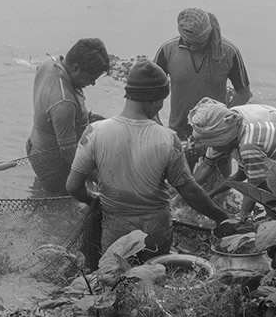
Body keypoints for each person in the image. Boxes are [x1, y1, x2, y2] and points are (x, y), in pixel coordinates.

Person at [66, 60, 231, 264]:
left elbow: (73, 186)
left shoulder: (94, 132)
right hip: (155, 231)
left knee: (115, 280)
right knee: (152, 280)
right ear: (154, 100)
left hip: (116, 232)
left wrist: (93, 199)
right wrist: (221, 217)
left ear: (129, 94)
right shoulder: (168, 139)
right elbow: (191, 192)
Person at [188, 103, 276, 218]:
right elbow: (240, 176)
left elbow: (254, 188)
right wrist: (210, 194)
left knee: (271, 205)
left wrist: (242, 217)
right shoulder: (251, 129)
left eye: (213, 144)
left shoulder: (248, 147)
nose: (213, 149)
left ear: (223, 138)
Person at [27, 38, 111, 196]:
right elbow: (68, 153)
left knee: (43, 194)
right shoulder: (64, 103)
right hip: (54, 166)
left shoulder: (49, 63)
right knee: (61, 207)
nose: (93, 83)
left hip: (35, 146)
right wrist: (100, 179)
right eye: (91, 77)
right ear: (76, 68)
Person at [154, 7, 253, 141]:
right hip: (178, 131)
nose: (194, 46)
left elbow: (244, 93)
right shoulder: (168, 50)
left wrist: (223, 121)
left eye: (199, 42)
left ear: (208, 34)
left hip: (217, 134)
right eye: (190, 42)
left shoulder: (228, 52)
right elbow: (150, 92)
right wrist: (158, 126)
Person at [188, 97, 276, 159]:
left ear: (225, 139)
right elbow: (208, 164)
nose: (213, 149)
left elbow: (257, 184)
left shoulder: (257, 133)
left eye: (214, 145)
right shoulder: (224, 122)